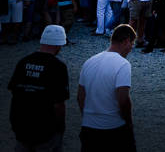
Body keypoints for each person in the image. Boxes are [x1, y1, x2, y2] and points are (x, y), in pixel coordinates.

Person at [7, 24, 69, 152]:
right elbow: (59, 104)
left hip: (21, 125)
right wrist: (61, 127)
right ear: (59, 45)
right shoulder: (58, 67)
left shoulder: (23, 62)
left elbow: (14, 92)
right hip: (44, 127)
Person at [77, 24, 135, 152]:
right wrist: (129, 122)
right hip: (113, 128)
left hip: (88, 127)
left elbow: (80, 96)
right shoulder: (123, 64)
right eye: (132, 43)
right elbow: (123, 100)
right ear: (126, 41)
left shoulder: (89, 61)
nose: (131, 48)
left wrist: (88, 117)